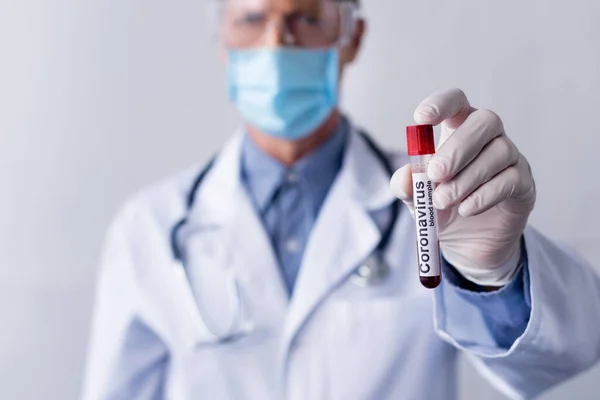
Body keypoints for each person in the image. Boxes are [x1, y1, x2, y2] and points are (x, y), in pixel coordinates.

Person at [82, 0, 600, 399]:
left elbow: (563, 356)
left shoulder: (439, 192)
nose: (276, 42)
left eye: (306, 18)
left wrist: (497, 275)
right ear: (222, 40)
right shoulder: (149, 225)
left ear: (351, 36)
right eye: (251, 17)